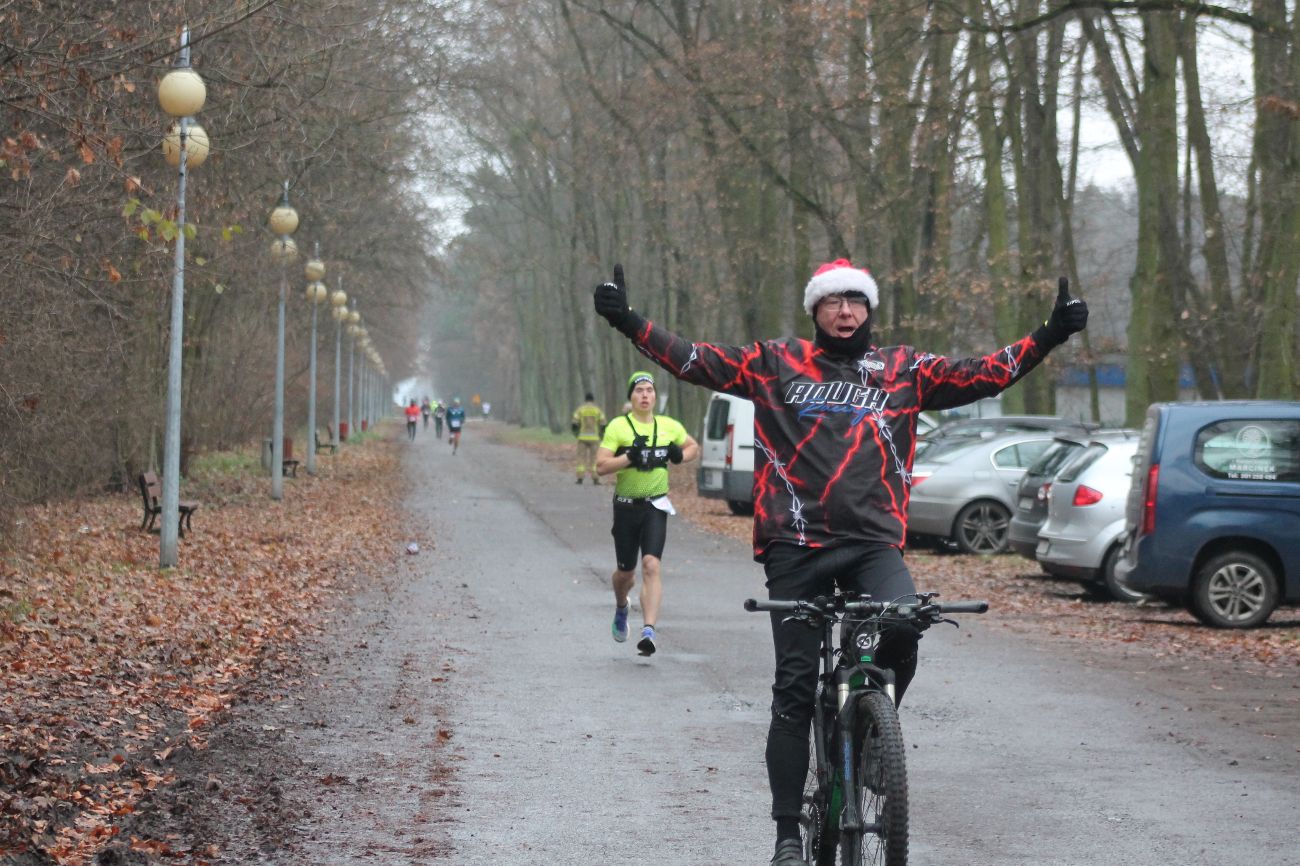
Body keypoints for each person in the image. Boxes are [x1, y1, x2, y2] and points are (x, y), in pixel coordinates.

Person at [593, 261, 1086, 865]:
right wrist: (628, 321)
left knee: (904, 624)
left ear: (869, 309)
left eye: (856, 300)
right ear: (815, 310)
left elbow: (984, 374)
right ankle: (787, 835)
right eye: (833, 301)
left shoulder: (904, 369)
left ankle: (873, 733)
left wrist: (1050, 334)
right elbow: (694, 359)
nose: (845, 311)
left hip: (873, 542)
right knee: (795, 690)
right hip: (795, 545)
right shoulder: (775, 362)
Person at [595, 371, 699, 657]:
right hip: (626, 507)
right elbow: (601, 467)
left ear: (655, 397)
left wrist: (680, 456)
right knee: (625, 574)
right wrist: (629, 457)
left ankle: (649, 631)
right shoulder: (618, 427)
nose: (644, 395)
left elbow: (693, 447)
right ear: (631, 396)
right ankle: (621, 606)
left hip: (655, 506)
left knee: (651, 565)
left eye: (649, 390)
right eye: (639, 390)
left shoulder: (668, 426)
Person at [571, 392, 608, 485]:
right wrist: (601, 435)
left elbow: (574, 424)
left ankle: (580, 478)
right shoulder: (597, 410)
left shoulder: (580, 410)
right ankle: (595, 478)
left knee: (581, 457)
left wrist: (576, 434)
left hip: (582, 437)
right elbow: (603, 424)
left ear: (585, 399)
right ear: (593, 400)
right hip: (594, 438)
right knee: (595, 458)